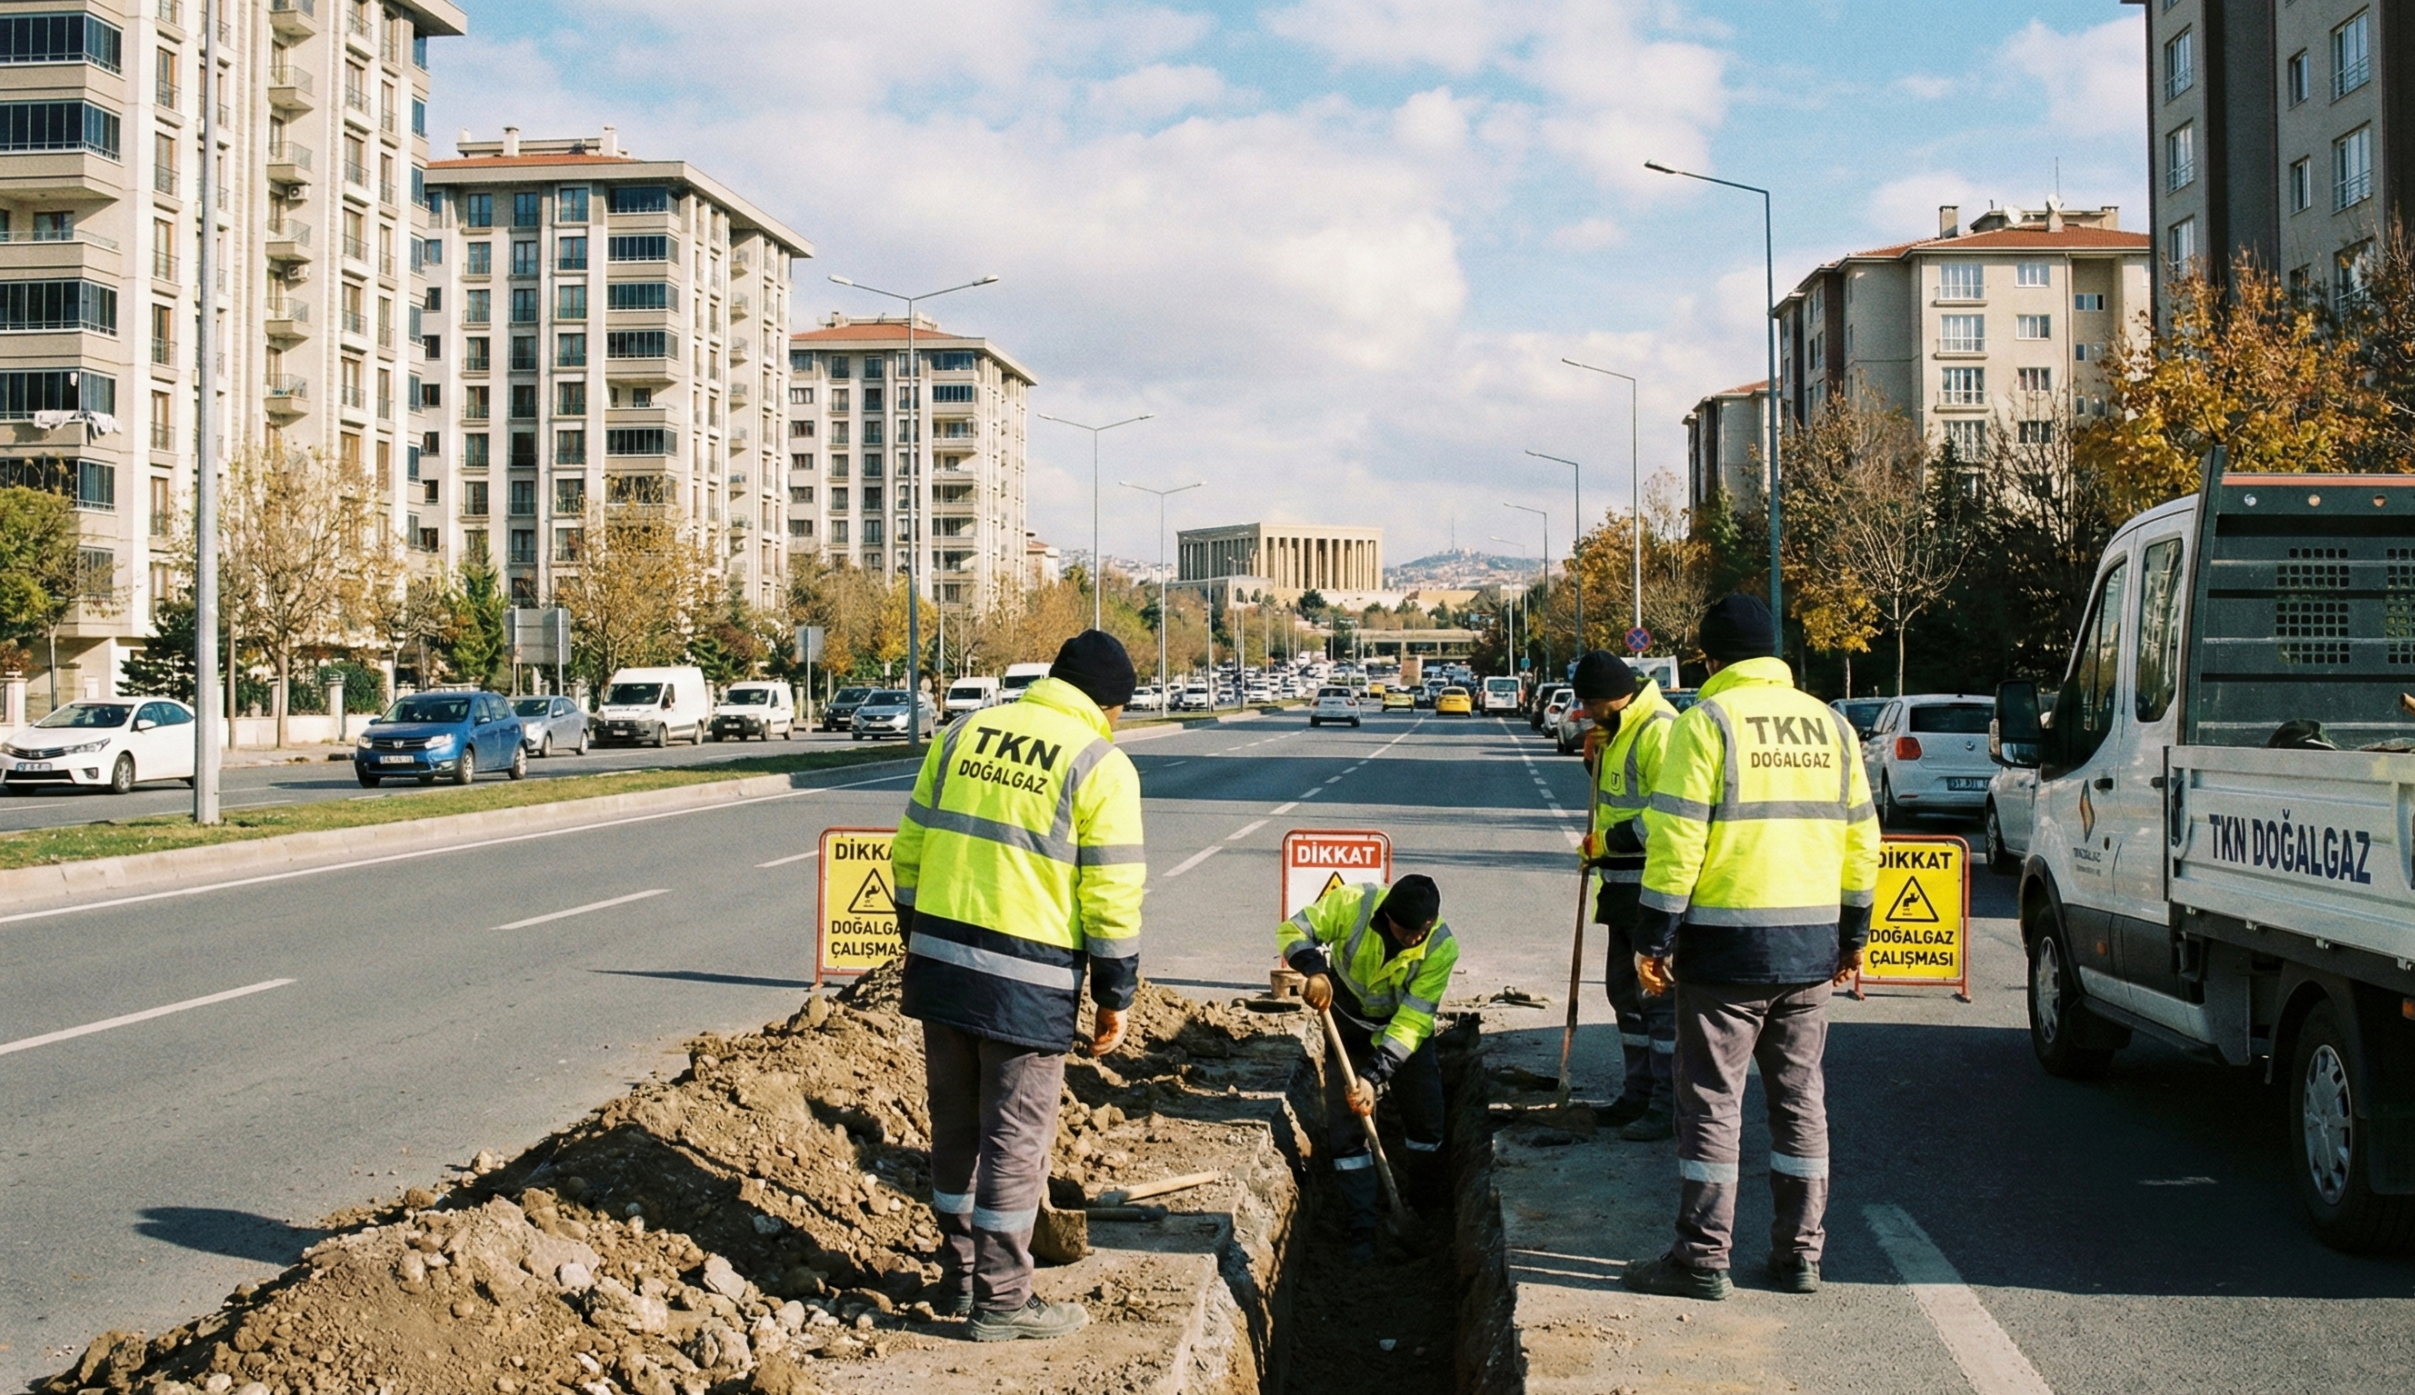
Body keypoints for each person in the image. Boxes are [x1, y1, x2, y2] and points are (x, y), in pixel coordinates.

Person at [1620, 595, 1880, 1301]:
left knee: (1710, 1101)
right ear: (1775, 652)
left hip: (1724, 952)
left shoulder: (1705, 723)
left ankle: (1702, 1259)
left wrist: (1653, 936)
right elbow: (1862, 841)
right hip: (1810, 949)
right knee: (1799, 1101)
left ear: (1709, 658)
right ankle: (1799, 1255)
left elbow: (1677, 840)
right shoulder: (1831, 725)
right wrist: (1853, 936)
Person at [895, 630, 1146, 1341]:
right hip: (1025, 983)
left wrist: (916, 936)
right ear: (1109, 703)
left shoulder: (961, 733)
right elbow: (1112, 890)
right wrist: (1113, 993)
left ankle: (958, 1275)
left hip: (940, 965)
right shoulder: (1098, 760)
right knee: (1013, 1138)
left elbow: (908, 846)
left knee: (955, 1127)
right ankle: (1002, 1300)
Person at [1277, 873, 1455, 1263]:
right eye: (1404, 931)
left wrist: (1373, 1077)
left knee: (1427, 1124)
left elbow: (1412, 1021)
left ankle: (1422, 1213)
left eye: (1419, 933)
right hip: (1348, 1023)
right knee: (1347, 1129)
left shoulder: (1441, 947)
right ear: (1386, 916)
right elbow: (1292, 930)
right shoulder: (1355, 903)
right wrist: (1315, 970)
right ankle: (1361, 1225)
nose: (1411, 940)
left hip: (1401, 1033)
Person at [1570, 651, 1679, 1140]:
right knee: (1623, 995)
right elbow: (1617, 796)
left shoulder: (1659, 730)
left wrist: (1608, 843)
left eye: (1591, 704)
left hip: (1651, 887)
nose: (1587, 713)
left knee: (1657, 1002)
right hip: (1619, 888)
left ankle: (1666, 1104)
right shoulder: (1618, 730)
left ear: (1615, 696)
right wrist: (1593, 763)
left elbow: (1667, 814)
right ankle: (1636, 1094)